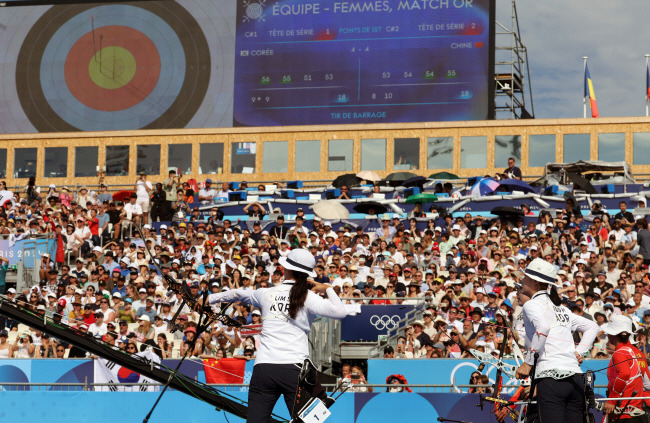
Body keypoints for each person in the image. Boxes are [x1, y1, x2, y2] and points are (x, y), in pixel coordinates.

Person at [202, 248, 347, 422]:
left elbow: (237, 293)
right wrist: (328, 288)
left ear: (286, 270)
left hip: (264, 368)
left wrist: (208, 299)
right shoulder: (308, 296)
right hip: (294, 370)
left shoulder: (267, 293)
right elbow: (340, 312)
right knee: (307, 421)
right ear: (306, 275)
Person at [515, 258, 599, 423]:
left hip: (551, 380)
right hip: (575, 379)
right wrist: (578, 353)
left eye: (525, 276)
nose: (522, 279)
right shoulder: (562, 309)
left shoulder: (531, 305)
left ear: (534, 281)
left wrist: (528, 362)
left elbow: (543, 328)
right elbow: (593, 327)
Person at [601, 315, 650, 422]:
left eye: (609, 333)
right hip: (638, 413)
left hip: (623, 413)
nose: (608, 336)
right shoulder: (640, 353)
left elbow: (624, 374)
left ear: (613, 335)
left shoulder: (620, 353)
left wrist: (612, 400)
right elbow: (648, 385)